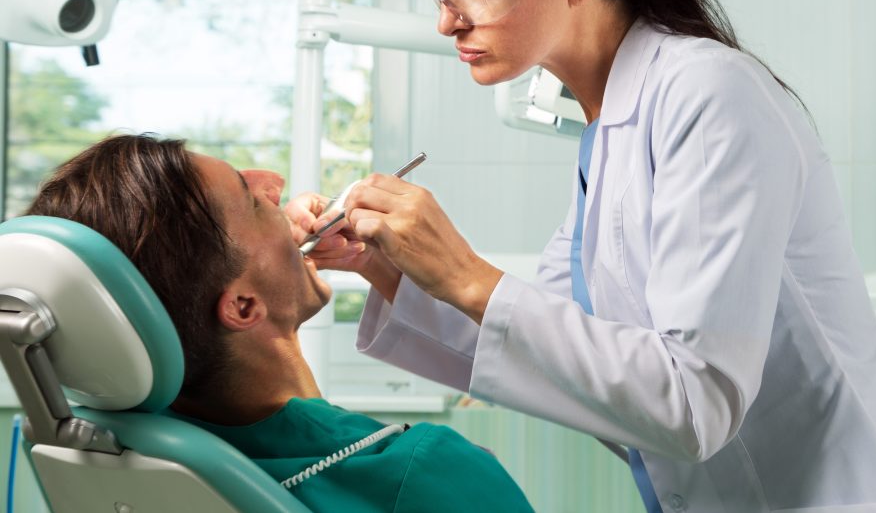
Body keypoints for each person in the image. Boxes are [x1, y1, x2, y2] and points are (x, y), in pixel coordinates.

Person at [287, 0, 876, 512]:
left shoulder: (708, 94)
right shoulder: (607, 136)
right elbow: (549, 355)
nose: (448, 22)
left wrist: (465, 271)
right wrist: (384, 267)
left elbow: (696, 403)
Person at [26, 134, 535, 513]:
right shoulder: (423, 473)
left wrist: (275, 258)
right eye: (251, 199)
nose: (275, 184)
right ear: (244, 307)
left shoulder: (114, 457)